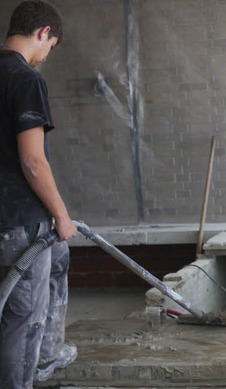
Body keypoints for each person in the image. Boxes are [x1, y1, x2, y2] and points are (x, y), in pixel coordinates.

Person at [0, 1, 77, 387]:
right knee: (23, 318)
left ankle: (49, 353)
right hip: (17, 221)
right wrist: (61, 215)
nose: (46, 56)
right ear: (43, 33)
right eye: (51, 46)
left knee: (59, 258)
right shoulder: (25, 80)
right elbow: (33, 161)